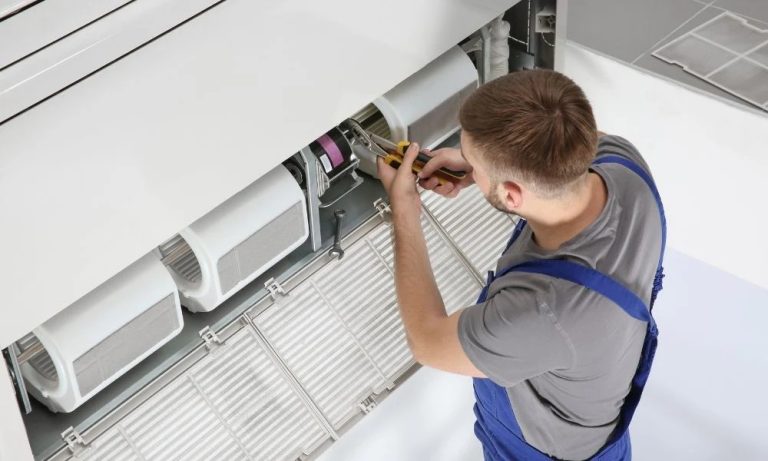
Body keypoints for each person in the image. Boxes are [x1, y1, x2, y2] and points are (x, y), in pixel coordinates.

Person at [377, 69, 665, 461]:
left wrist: (405, 209)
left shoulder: (542, 311)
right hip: (597, 424)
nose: (467, 166)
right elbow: (569, 145)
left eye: (472, 164)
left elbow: (426, 342)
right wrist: (483, 166)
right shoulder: (625, 167)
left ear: (512, 196)